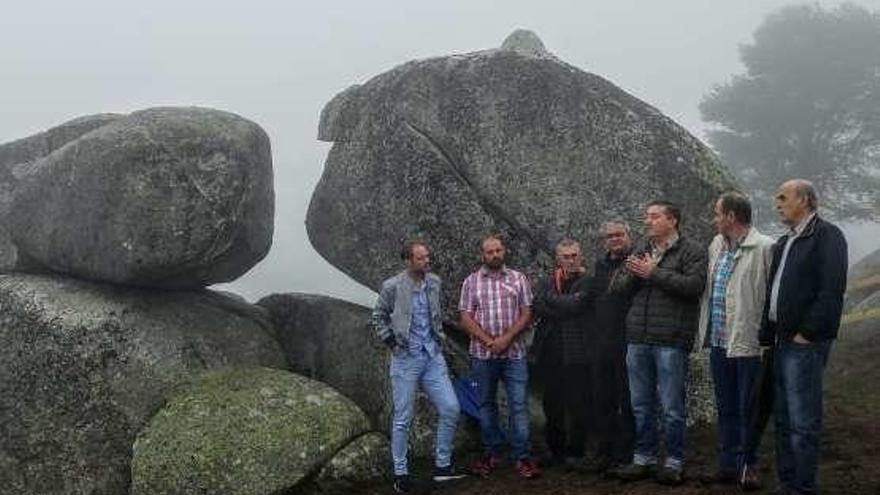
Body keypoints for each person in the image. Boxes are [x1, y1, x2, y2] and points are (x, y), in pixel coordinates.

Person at [760, 179, 847, 495]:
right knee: (782, 418)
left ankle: (803, 489)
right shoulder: (785, 242)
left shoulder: (827, 235)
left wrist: (807, 333)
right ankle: (788, 484)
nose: (778, 204)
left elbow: (832, 290)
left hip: (803, 344)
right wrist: (767, 334)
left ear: (805, 200)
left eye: (783, 197)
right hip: (780, 341)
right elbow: (774, 292)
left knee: (802, 421)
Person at [613, 200, 707, 485]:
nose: (648, 221)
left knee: (671, 406)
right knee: (640, 404)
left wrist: (654, 273)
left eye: (654, 216)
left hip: (670, 339)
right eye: (647, 217)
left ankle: (674, 461)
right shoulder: (642, 248)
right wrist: (634, 271)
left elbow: (693, 287)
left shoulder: (693, 250)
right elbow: (618, 289)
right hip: (638, 338)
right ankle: (644, 458)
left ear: (672, 220)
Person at [372, 239, 464, 493]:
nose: (427, 261)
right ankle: (400, 474)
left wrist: (441, 344)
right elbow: (378, 315)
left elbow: (435, 316)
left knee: (451, 407)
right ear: (408, 261)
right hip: (405, 358)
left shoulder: (434, 282)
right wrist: (391, 341)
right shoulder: (392, 286)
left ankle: (442, 467)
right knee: (403, 417)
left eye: (427, 257)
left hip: (432, 355)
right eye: (421, 258)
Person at [696, 192, 774, 490]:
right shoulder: (717, 245)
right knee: (725, 406)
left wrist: (767, 334)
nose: (714, 219)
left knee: (748, 408)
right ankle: (727, 464)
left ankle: (749, 465)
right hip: (718, 342)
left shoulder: (765, 247)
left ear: (731, 217)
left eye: (717, 213)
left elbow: (771, 297)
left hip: (748, 344)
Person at [459, 234, 539, 479]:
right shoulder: (471, 282)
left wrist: (506, 339)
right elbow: (465, 316)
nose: (495, 255)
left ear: (504, 251)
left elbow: (527, 313)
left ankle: (522, 457)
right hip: (482, 355)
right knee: (486, 405)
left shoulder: (518, 278)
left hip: (514, 354)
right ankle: (491, 453)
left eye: (498, 250)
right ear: (482, 255)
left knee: (518, 406)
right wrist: (488, 341)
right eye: (490, 251)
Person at [532, 239, 593, 470]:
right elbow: (537, 305)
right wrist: (564, 305)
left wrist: (554, 301)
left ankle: (576, 451)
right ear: (558, 259)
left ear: (581, 256)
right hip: (550, 350)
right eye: (566, 256)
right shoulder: (547, 281)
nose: (571, 260)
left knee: (579, 402)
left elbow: (578, 306)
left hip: (579, 350)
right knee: (552, 402)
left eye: (574, 255)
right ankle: (555, 450)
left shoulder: (588, 280)